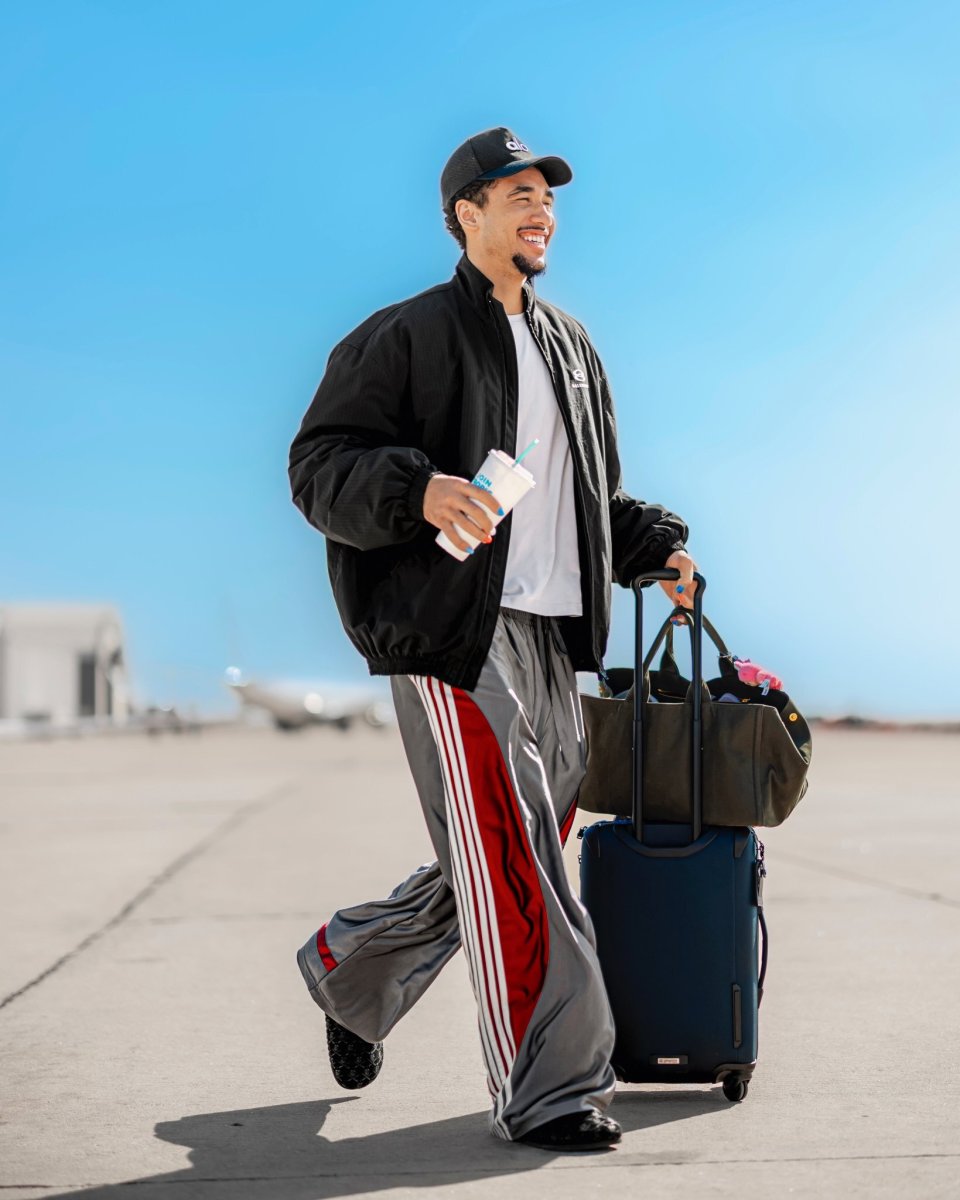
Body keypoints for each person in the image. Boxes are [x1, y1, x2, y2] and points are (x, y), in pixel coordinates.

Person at [288, 126, 698, 1152]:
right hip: (447, 632)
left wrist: (652, 549)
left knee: (509, 854)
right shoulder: (404, 335)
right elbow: (319, 466)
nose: (540, 210)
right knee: (510, 849)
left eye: (546, 196)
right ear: (465, 216)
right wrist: (417, 490)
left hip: (554, 634)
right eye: (517, 195)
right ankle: (550, 1087)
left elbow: (586, 500)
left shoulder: (573, 347)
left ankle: (353, 968)